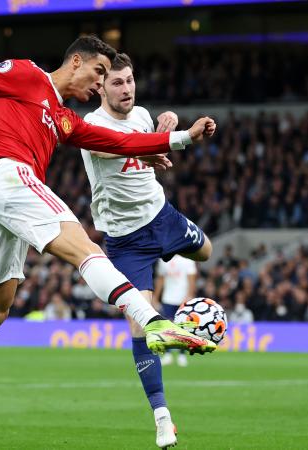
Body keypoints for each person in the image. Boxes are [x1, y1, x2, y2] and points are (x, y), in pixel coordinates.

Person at [0, 35, 217, 449]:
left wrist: (183, 138)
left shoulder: (64, 118)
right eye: (99, 73)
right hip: (10, 176)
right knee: (86, 249)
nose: (100, 84)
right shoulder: (26, 74)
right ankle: (155, 322)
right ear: (76, 61)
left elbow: (122, 143)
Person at [80, 53, 212, 449]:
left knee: (206, 251)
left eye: (130, 80)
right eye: (117, 83)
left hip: (161, 216)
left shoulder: (140, 115)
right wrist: (173, 137)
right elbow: (114, 149)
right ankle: (162, 418)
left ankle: (178, 319)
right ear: (101, 87)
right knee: (141, 327)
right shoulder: (91, 125)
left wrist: (162, 124)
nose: (127, 89)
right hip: (126, 240)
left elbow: (142, 138)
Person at [156, 255, 198, 368]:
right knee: (167, 327)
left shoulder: (188, 259)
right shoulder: (163, 259)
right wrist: (155, 297)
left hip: (183, 298)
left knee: (183, 327)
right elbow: (161, 279)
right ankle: (168, 354)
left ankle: (182, 354)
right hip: (168, 298)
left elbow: (192, 279)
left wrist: (190, 295)